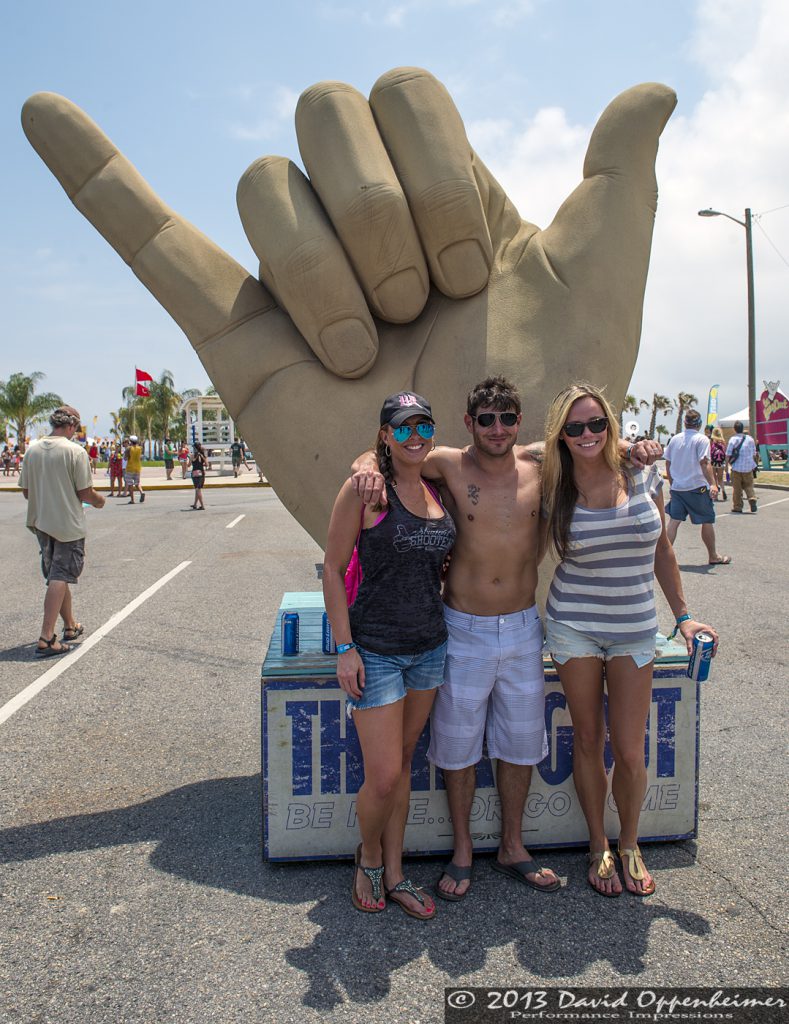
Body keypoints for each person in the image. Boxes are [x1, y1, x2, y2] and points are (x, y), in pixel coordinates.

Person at [352, 377, 661, 901]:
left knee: (521, 745)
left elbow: (592, 441)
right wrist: (363, 466)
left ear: (520, 422)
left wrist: (635, 447)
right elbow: (384, 453)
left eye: (508, 417)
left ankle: (513, 845)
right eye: (486, 418)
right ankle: (464, 848)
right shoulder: (447, 462)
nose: (498, 427)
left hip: (522, 625)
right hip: (462, 625)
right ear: (469, 422)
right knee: (457, 746)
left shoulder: (541, 464)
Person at [541, 382, 718, 896]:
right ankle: (598, 844)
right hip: (573, 623)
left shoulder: (642, 473)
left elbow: (663, 549)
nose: (587, 434)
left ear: (612, 426)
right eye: (574, 427)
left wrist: (683, 616)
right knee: (590, 740)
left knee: (631, 747)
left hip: (635, 626)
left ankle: (630, 842)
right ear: (561, 435)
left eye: (598, 423)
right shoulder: (553, 481)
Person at [324, 391, 455, 920]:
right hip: (375, 651)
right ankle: (371, 857)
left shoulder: (435, 486)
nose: (415, 436)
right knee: (381, 777)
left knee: (402, 766)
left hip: (429, 647)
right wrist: (344, 648)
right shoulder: (363, 490)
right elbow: (332, 569)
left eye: (423, 425)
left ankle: (397, 874)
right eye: (402, 428)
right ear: (384, 435)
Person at [18, 405, 105, 657]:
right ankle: (47, 637)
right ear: (72, 426)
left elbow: (26, 492)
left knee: (57, 574)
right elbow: (85, 493)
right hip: (68, 525)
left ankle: (70, 625)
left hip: (41, 524)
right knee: (60, 577)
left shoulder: (31, 451)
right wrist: (100, 501)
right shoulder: (75, 452)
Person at [664, 409, 730, 565]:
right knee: (707, 520)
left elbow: (668, 462)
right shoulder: (702, 439)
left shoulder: (674, 439)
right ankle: (713, 555)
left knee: (674, 521)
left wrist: (672, 483)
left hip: (678, 487)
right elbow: (704, 462)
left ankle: (663, 557)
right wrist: (713, 484)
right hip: (696, 487)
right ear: (699, 424)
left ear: (685, 423)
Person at [726, 420, 758, 514]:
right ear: (742, 428)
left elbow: (728, 454)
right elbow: (754, 453)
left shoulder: (733, 439)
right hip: (748, 467)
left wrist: (726, 468)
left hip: (736, 468)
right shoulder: (750, 439)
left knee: (737, 488)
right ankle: (752, 498)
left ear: (734, 429)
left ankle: (738, 506)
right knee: (748, 485)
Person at [705, 425, 727, 501]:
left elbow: (710, 452)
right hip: (721, 462)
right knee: (720, 478)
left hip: (714, 462)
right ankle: (723, 490)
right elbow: (725, 452)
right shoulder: (723, 441)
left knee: (714, 478)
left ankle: (716, 495)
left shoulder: (711, 441)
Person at [125, 435, 145, 504]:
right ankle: (141, 492)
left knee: (130, 484)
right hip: (138, 467)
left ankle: (132, 500)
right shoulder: (140, 448)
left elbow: (125, 458)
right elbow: (140, 457)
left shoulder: (129, 448)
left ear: (130, 441)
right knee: (137, 483)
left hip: (130, 468)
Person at [189, 443, 207, 509]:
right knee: (197, 489)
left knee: (198, 489)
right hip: (202, 473)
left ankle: (202, 505)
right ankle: (195, 504)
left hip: (195, 473)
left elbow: (188, 465)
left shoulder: (192, 455)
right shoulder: (202, 455)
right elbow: (207, 464)